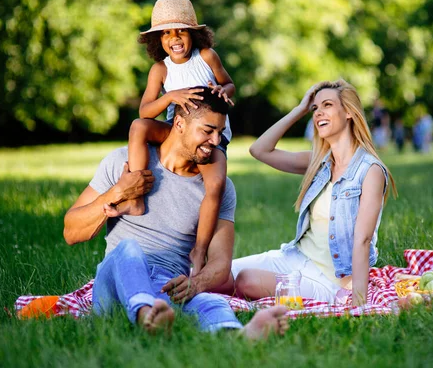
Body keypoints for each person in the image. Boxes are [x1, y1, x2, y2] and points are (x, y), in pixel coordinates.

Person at [63, 89, 288, 338]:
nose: (215, 141)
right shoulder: (122, 162)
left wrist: (197, 283)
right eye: (207, 130)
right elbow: (71, 231)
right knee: (128, 249)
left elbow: (220, 263)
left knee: (211, 303)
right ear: (179, 123)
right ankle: (146, 315)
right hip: (115, 282)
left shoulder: (220, 189)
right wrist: (117, 192)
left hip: (167, 287)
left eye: (219, 133)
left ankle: (239, 335)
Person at [220, 79, 396, 307]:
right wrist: (300, 109)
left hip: (329, 281)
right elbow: (259, 150)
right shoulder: (319, 162)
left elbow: (362, 240)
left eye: (328, 105)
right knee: (217, 273)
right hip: (293, 258)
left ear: (349, 113)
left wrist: (360, 302)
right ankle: (161, 293)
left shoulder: (370, 170)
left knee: (245, 280)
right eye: (315, 108)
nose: (318, 113)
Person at [126, 0, 235, 277]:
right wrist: (171, 96)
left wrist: (225, 91)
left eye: (181, 31)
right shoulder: (161, 70)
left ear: (193, 34)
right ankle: (136, 197)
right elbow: (145, 110)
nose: (174, 38)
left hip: (210, 135)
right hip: (176, 130)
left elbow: (229, 83)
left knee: (216, 184)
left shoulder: (207, 56)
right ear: (158, 40)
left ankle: (199, 249)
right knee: (138, 127)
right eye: (166, 33)